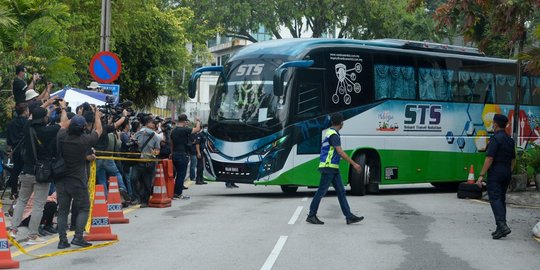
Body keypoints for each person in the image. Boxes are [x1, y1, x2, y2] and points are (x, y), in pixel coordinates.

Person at [10, 102, 67, 245]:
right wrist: (63, 108)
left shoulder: (27, 127)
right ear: (44, 119)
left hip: (26, 171)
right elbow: (64, 123)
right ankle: (32, 235)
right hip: (42, 173)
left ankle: (13, 230)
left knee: (22, 201)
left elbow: (31, 116)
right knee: (38, 205)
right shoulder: (49, 131)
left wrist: (47, 103)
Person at [56, 108, 102, 249]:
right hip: (77, 180)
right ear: (83, 128)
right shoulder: (85, 140)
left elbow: (63, 124)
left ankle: (62, 240)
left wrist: (65, 110)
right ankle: (78, 237)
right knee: (83, 207)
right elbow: (99, 130)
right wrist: (97, 115)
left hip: (61, 179)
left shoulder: (61, 135)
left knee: (63, 210)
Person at [306, 113, 364, 225]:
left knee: (341, 192)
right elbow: (340, 152)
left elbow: (332, 152)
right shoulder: (334, 135)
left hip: (333, 168)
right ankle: (311, 215)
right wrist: (354, 164)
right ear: (341, 123)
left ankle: (349, 216)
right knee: (321, 192)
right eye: (343, 121)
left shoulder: (330, 132)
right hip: (328, 168)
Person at [476, 114, 516, 240]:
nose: (492, 125)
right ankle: (500, 229)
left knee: (495, 199)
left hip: (496, 172)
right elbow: (513, 159)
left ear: (496, 124)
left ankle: (502, 226)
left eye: (493, 123)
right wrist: (509, 172)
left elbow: (490, 158)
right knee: (501, 199)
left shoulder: (495, 139)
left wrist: (481, 175)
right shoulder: (510, 140)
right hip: (506, 171)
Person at [131, 115, 161, 208]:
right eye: (150, 125)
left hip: (149, 163)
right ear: (146, 124)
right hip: (138, 161)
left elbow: (158, 150)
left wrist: (154, 153)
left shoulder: (155, 136)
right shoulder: (138, 134)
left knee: (147, 183)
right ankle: (136, 197)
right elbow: (132, 143)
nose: (151, 127)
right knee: (133, 179)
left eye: (153, 126)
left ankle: (145, 201)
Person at [170, 114, 200, 199]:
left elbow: (171, 142)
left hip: (174, 154)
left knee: (175, 174)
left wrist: (171, 153)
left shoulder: (173, 130)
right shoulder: (184, 130)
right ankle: (178, 193)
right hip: (182, 155)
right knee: (181, 175)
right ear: (185, 121)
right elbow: (197, 129)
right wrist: (198, 120)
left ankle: (173, 191)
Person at [6, 103, 29, 198]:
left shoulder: (11, 123)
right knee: (27, 171)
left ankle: (13, 192)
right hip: (25, 149)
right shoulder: (27, 123)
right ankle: (25, 192)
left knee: (16, 170)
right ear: (25, 111)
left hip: (15, 150)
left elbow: (9, 139)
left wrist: (8, 151)